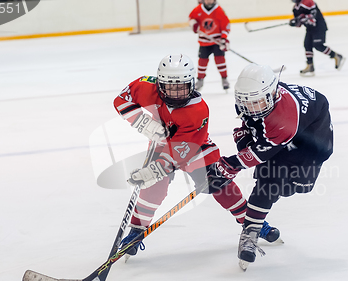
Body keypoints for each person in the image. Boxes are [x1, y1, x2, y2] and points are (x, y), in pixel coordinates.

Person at [113, 54, 280, 258]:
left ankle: (251, 222)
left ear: (192, 83)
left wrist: (154, 170)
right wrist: (143, 123)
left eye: (181, 87)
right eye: (170, 87)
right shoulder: (145, 86)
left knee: (218, 182)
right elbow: (121, 100)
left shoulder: (197, 111)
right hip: (161, 143)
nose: (175, 93)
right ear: (159, 82)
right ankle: (136, 231)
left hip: (195, 145)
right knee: (153, 189)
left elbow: (181, 153)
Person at [207, 63, 333, 265]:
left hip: (312, 136)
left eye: (256, 102)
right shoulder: (254, 100)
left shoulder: (285, 118)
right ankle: (250, 234)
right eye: (247, 103)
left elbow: (259, 153)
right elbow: (254, 127)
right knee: (268, 181)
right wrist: (245, 137)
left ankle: (254, 222)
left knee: (296, 186)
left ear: (272, 95)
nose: (251, 108)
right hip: (281, 129)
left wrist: (228, 165)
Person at [289, 0, 345, 76]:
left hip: (319, 27)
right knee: (307, 45)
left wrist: (301, 18)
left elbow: (313, 17)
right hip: (309, 29)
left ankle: (336, 56)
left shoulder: (308, 2)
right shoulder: (295, 9)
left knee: (318, 45)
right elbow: (299, 24)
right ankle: (310, 66)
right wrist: (295, 23)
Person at [188, 0, 231, 91]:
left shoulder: (219, 10)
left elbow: (226, 25)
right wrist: (193, 24)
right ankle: (200, 80)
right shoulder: (198, 9)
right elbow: (191, 19)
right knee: (202, 62)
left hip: (217, 42)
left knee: (220, 61)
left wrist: (224, 38)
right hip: (204, 42)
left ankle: (224, 79)